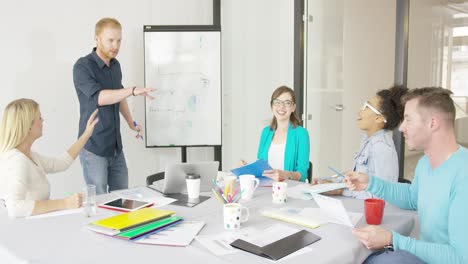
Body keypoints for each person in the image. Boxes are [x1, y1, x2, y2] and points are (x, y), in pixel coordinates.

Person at [346, 87, 468, 263]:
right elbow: (412, 197)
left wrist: (393, 240)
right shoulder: (425, 163)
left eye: (408, 120)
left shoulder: (463, 174)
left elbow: (460, 258)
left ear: (433, 123)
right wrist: (370, 183)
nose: (401, 127)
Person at [73, 18, 155, 195]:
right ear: (97, 39)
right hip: (94, 147)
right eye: (110, 40)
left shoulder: (115, 65)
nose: (115, 45)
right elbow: (101, 98)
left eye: (119, 40)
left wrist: (131, 122)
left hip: (115, 147)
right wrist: (132, 90)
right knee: (100, 201)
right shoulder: (83, 66)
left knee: (123, 197)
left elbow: (119, 96)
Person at [0, 99, 98, 218]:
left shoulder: (30, 156)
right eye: (39, 118)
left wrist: (86, 135)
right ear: (29, 127)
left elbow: (61, 163)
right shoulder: (17, 161)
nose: (43, 121)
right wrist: (65, 203)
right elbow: (15, 208)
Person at [317, 86, 408, 199]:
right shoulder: (368, 140)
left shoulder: (382, 147)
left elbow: (379, 195)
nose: (360, 111)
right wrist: (330, 182)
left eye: (367, 107)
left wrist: (340, 190)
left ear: (379, 118)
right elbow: (357, 177)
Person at [240, 86, 310, 182]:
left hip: (288, 190)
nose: (281, 107)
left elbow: (302, 174)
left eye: (287, 103)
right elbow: (261, 166)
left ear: (293, 107)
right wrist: (247, 168)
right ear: (272, 106)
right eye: (277, 102)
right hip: (265, 188)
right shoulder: (266, 132)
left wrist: (286, 174)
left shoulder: (301, 134)